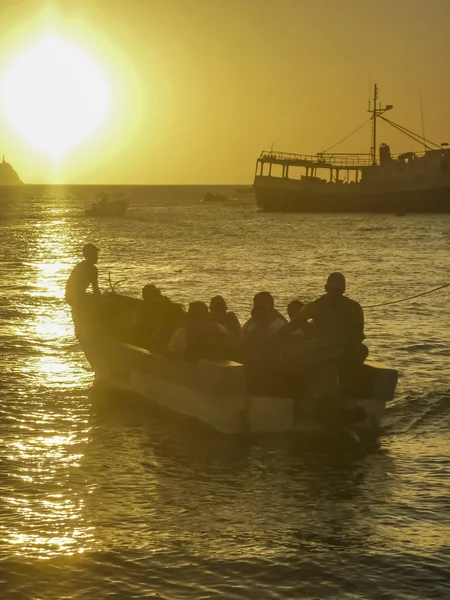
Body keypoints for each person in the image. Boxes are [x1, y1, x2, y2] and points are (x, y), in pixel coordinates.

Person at [288, 272, 367, 362]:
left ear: (326, 288)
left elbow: (293, 324)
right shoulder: (355, 307)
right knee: (362, 350)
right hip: (335, 351)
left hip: (332, 350)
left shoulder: (316, 305)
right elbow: (359, 335)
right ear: (344, 289)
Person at [167, 301, 232, 361]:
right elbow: (230, 349)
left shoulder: (182, 332)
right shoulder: (220, 329)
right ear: (206, 315)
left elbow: (169, 353)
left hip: (192, 371)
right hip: (220, 369)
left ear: (190, 316)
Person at [65, 243, 101, 337]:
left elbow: (70, 284)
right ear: (91, 255)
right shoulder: (93, 269)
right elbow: (96, 290)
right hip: (77, 297)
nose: (97, 257)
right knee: (98, 303)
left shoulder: (79, 265)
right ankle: (92, 327)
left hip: (69, 296)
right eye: (95, 254)